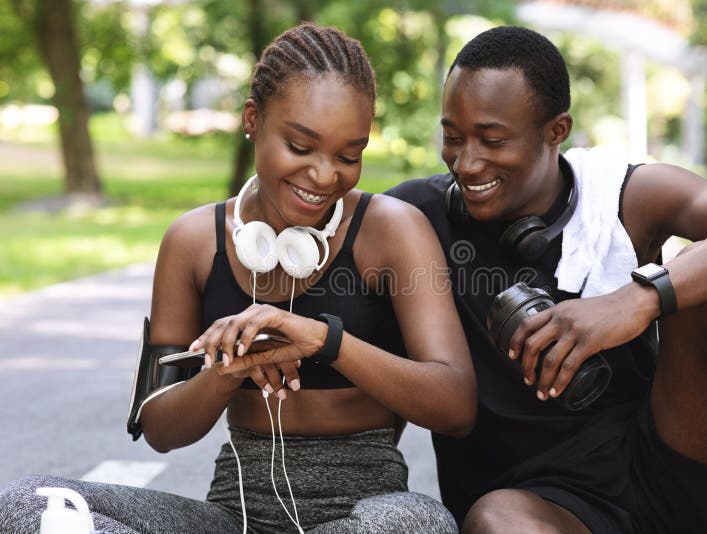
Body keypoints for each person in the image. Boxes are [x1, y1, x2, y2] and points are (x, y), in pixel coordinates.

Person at [0, 23, 475, 534]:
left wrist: (324, 341)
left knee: (416, 524)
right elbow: (159, 426)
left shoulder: (391, 230)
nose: (322, 175)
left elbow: (455, 405)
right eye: (300, 145)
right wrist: (230, 369)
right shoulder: (193, 241)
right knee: (32, 504)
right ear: (253, 119)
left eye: (348, 155)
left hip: (363, 512)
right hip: (235, 514)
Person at [386, 25, 707, 534]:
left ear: (556, 131)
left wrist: (638, 299)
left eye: (493, 139)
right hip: (536, 504)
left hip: (669, 463)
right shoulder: (414, 217)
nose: (466, 162)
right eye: (452, 137)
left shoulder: (623, 197)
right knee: (500, 521)